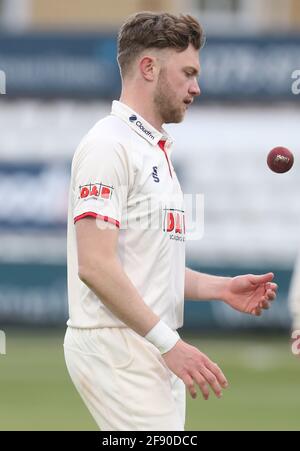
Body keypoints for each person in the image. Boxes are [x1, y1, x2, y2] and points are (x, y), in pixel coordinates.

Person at [63, 11, 278, 431]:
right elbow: (95, 266)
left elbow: (146, 270)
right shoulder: (109, 145)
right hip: (118, 345)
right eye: (188, 73)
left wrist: (221, 289)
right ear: (149, 68)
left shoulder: (154, 149)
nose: (197, 87)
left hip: (142, 343)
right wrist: (170, 344)